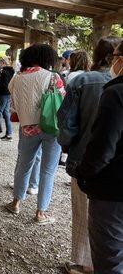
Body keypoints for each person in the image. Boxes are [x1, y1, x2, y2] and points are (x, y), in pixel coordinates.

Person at [58, 37, 121, 274]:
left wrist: (68, 150)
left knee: (87, 216)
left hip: (88, 160)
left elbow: (66, 124)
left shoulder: (85, 81)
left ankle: (85, 264)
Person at [76, 40, 123, 274]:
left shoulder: (116, 93)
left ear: (121, 61)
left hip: (112, 190)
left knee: (110, 259)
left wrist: (84, 175)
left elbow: (103, 148)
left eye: (115, 57)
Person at [5, 44, 64, 225]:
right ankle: (40, 213)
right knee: (48, 170)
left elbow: (14, 105)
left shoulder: (16, 78)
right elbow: (63, 100)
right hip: (51, 128)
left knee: (24, 164)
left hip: (27, 128)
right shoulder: (53, 77)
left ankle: (16, 203)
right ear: (48, 58)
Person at [0, 63, 14, 140]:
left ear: (3, 63)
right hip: (8, 94)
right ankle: (9, 134)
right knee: (6, 114)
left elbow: (4, 85)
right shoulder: (10, 71)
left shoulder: (5, 72)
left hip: (3, 94)